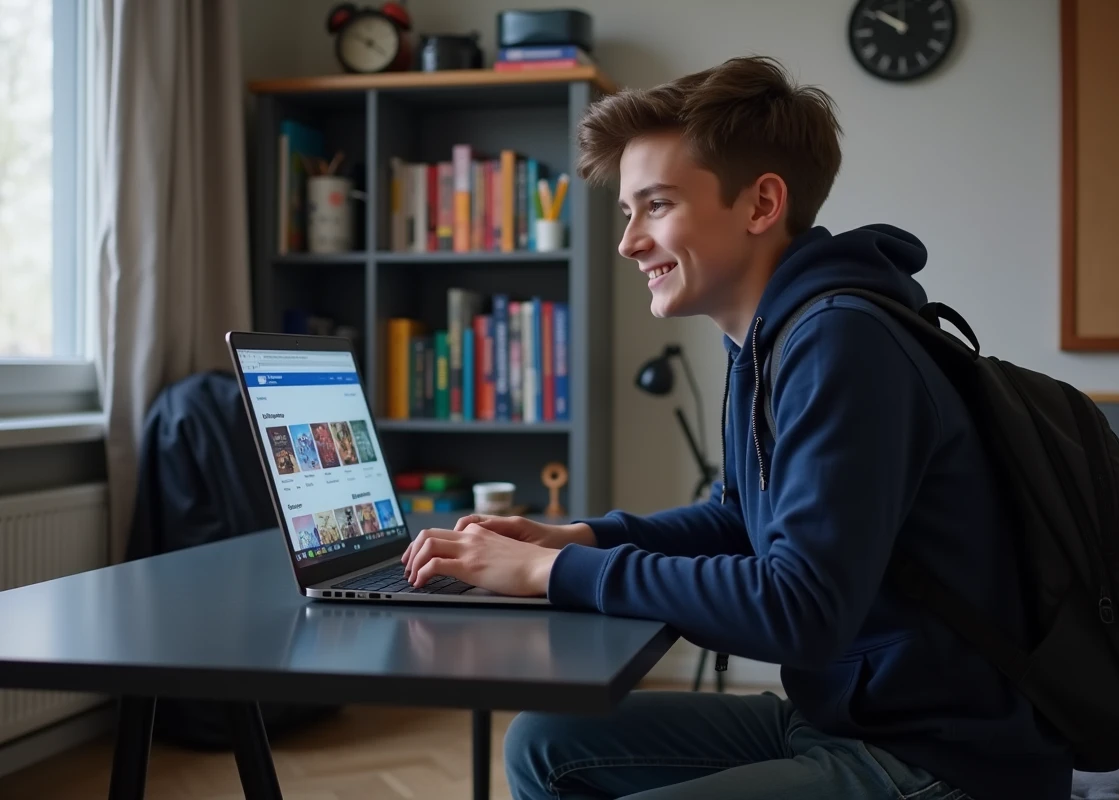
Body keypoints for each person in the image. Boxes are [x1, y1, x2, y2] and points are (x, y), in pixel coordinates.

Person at [399, 56, 1074, 800]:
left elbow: (800, 609)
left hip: (941, 760)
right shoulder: (770, 336)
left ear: (760, 205)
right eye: (628, 212)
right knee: (545, 741)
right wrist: (581, 540)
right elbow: (741, 518)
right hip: (845, 719)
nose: (627, 242)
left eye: (655, 205)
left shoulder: (842, 342)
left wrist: (551, 575)